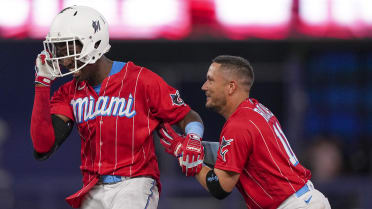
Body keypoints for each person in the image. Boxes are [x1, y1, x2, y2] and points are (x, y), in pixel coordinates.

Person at [30, 5, 204, 209]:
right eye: (59, 49)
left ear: (92, 43)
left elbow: (187, 115)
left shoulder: (141, 80)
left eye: (69, 48)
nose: (65, 59)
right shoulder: (68, 92)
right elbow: (43, 146)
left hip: (135, 183)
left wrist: (193, 138)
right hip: (92, 188)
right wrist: (42, 86)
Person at [157, 55, 332, 209]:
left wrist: (190, 160)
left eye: (210, 80)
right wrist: (192, 146)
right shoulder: (254, 109)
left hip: (293, 204)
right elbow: (237, 153)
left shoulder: (238, 124)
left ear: (231, 87)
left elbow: (220, 187)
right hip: (302, 200)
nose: (204, 86)